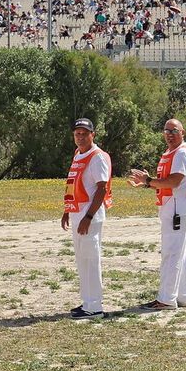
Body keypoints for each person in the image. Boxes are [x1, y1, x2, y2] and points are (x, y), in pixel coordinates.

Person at [127, 119, 186, 311]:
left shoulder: (181, 152)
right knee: (179, 253)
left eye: (174, 130)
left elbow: (174, 181)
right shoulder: (170, 152)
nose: (169, 134)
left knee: (171, 253)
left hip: (177, 207)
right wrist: (147, 183)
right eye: (166, 131)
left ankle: (166, 299)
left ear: (183, 132)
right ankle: (183, 295)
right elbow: (165, 182)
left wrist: (149, 181)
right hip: (173, 206)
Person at [62, 119, 112, 320]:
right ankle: (87, 302)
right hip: (77, 213)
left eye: (84, 133)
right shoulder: (78, 154)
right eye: (77, 133)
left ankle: (95, 306)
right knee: (82, 260)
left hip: (89, 216)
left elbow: (102, 188)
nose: (80, 137)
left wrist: (88, 216)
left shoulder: (97, 157)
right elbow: (74, 184)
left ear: (93, 134)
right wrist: (67, 210)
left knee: (91, 259)